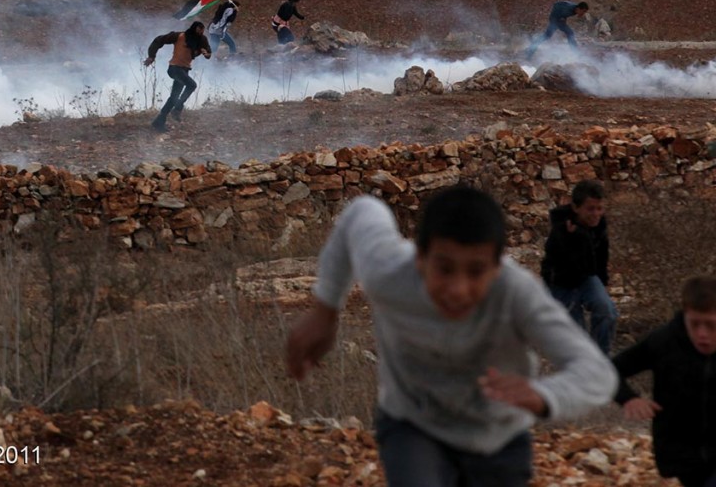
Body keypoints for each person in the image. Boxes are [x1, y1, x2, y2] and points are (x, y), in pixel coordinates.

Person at [286, 186, 617, 487]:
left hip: (497, 437)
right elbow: (362, 210)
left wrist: (543, 395)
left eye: (476, 272)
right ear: (419, 258)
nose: (458, 289)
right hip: (412, 424)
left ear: (497, 267)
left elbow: (596, 372)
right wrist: (325, 309)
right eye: (444, 268)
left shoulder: (516, 294)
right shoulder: (390, 272)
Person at [612, 276, 716, 487]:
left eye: (711, 325)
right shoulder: (664, 341)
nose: (702, 334)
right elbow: (608, 371)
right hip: (682, 455)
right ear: (685, 314)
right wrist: (629, 398)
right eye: (695, 324)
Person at [540, 179, 618, 354]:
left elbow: (599, 259)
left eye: (599, 208)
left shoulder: (598, 225)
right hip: (561, 283)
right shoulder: (561, 227)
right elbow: (563, 261)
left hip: (586, 277)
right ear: (576, 208)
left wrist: (602, 284)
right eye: (590, 209)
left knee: (607, 312)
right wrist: (579, 237)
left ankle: (601, 360)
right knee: (576, 338)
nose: (596, 214)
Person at [144, 21, 211, 132]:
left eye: (202, 32)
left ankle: (159, 121)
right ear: (193, 29)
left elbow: (208, 54)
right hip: (174, 68)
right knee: (192, 85)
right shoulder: (179, 36)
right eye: (198, 31)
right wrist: (151, 56)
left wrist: (205, 53)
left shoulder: (201, 40)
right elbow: (159, 40)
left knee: (174, 96)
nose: (199, 34)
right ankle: (178, 108)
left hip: (184, 70)